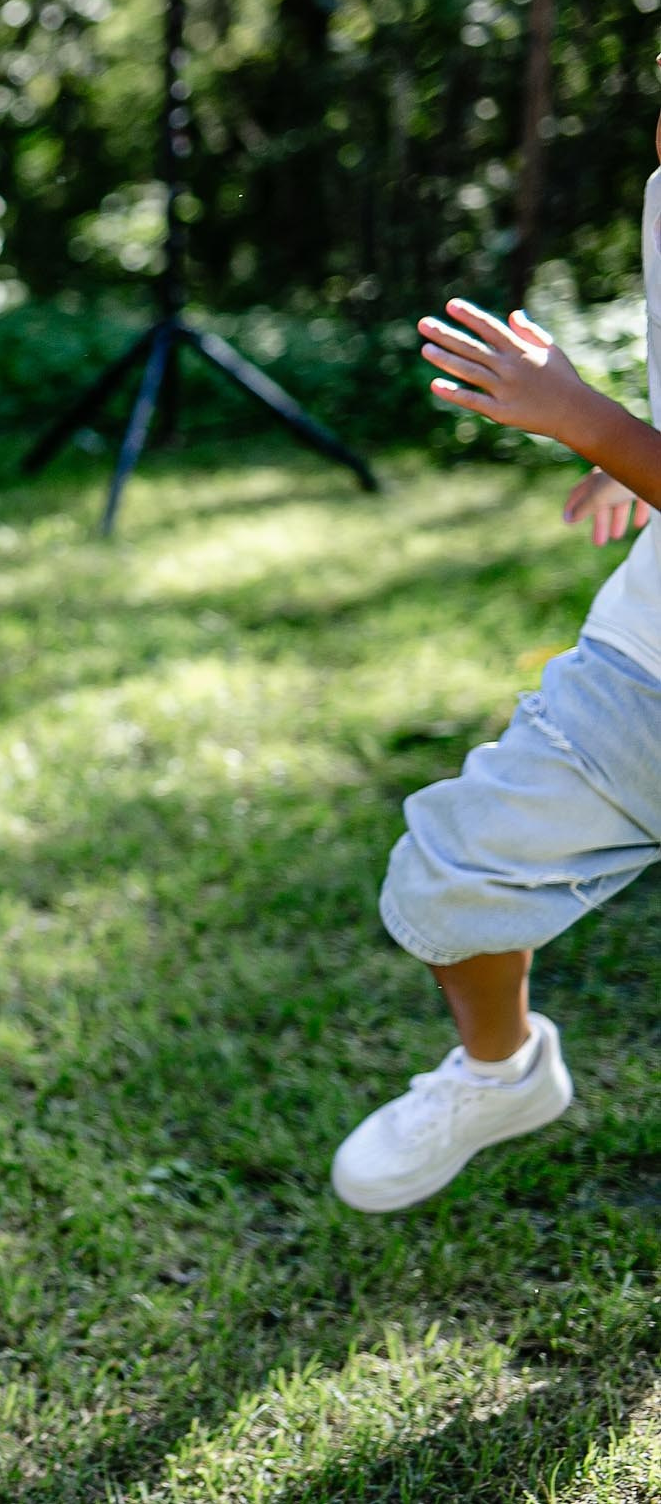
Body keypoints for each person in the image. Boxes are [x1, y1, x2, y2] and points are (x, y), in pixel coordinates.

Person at [330, 100, 661, 1213]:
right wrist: (639, 455)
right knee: (452, 867)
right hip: (647, 668)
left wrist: (594, 424)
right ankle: (501, 1068)